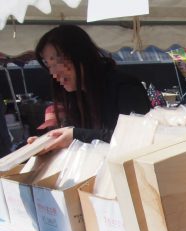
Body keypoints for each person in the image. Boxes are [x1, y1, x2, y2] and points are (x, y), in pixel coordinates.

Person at [28, 25, 150, 153]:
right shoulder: (76, 96)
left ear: (80, 55)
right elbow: (81, 134)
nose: (54, 73)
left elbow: (137, 138)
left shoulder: (124, 87)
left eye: (58, 61)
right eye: (48, 65)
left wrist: (77, 136)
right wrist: (51, 142)